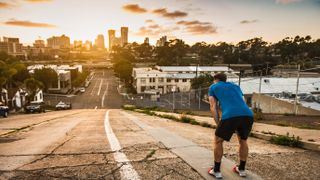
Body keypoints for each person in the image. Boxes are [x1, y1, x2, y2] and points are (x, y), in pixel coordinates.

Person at [207, 73, 253, 179]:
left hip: (230, 115)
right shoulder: (235, 86)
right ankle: (241, 169)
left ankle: (216, 171)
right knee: (243, 140)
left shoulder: (213, 87)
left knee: (218, 140)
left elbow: (213, 106)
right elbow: (243, 101)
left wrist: (218, 123)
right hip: (247, 115)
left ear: (216, 80)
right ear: (225, 79)